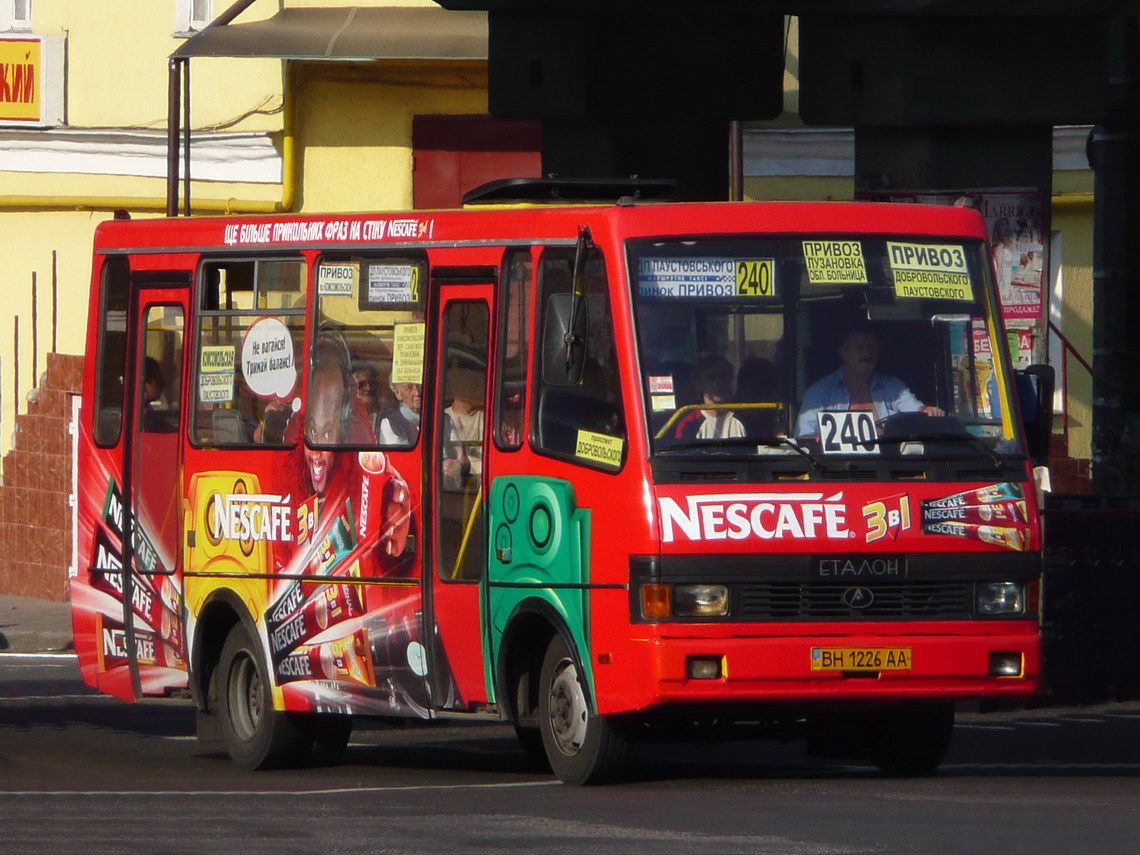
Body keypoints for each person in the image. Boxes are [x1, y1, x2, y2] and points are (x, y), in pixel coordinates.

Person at [795, 325, 944, 438]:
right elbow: (804, 437)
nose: (867, 353)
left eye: (872, 347)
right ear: (843, 352)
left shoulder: (893, 386)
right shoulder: (819, 392)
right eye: (859, 347)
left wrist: (927, 411)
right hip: (837, 471)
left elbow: (916, 410)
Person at [676, 354, 746, 440]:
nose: (719, 383)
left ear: (731, 380)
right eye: (711, 378)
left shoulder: (745, 420)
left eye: (723, 376)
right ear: (699, 384)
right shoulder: (689, 425)